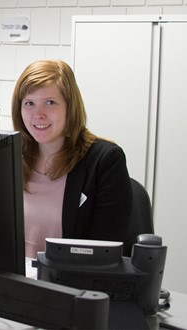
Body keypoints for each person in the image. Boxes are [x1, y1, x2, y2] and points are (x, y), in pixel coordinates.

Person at [11, 60, 133, 258]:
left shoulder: (104, 161)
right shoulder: (12, 157)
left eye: (50, 102)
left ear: (70, 107)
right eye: (29, 103)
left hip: (70, 285)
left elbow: (102, 255)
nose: (38, 114)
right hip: (15, 282)